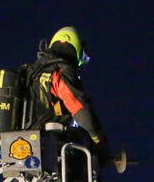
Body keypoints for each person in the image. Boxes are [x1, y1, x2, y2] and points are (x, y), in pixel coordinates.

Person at [24, 26, 124, 170]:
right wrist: (99, 142)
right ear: (77, 49)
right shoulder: (60, 72)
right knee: (79, 181)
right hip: (50, 147)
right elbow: (79, 109)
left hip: (22, 150)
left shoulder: (29, 72)